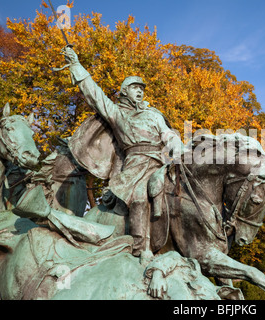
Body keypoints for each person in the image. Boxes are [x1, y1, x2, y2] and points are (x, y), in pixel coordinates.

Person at [60, 46, 183, 260]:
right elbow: (95, 95)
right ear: (125, 91)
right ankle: (139, 247)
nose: (140, 91)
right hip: (135, 166)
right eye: (135, 87)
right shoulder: (118, 114)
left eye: (142, 88)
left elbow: (166, 133)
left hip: (161, 162)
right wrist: (76, 66)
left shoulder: (154, 114)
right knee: (139, 197)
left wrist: (176, 141)